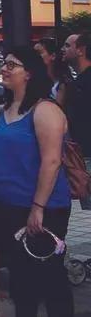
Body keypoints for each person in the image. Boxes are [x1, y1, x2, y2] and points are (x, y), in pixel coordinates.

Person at [0, 46, 73, 317]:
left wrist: (38, 207)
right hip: (8, 205)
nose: (4, 68)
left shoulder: (45, 109)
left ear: (29, 73)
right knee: (21, 280)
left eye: (12, 65)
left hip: (43, 207)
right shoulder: (6, 109)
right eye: (4, 63)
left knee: (50, 279)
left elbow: (51, 161)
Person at [61, 32, 91, 210]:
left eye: (67, 45)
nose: (63, 49)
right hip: (82, 153)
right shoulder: (77, 81)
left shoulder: (85, 82)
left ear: (80, 50)